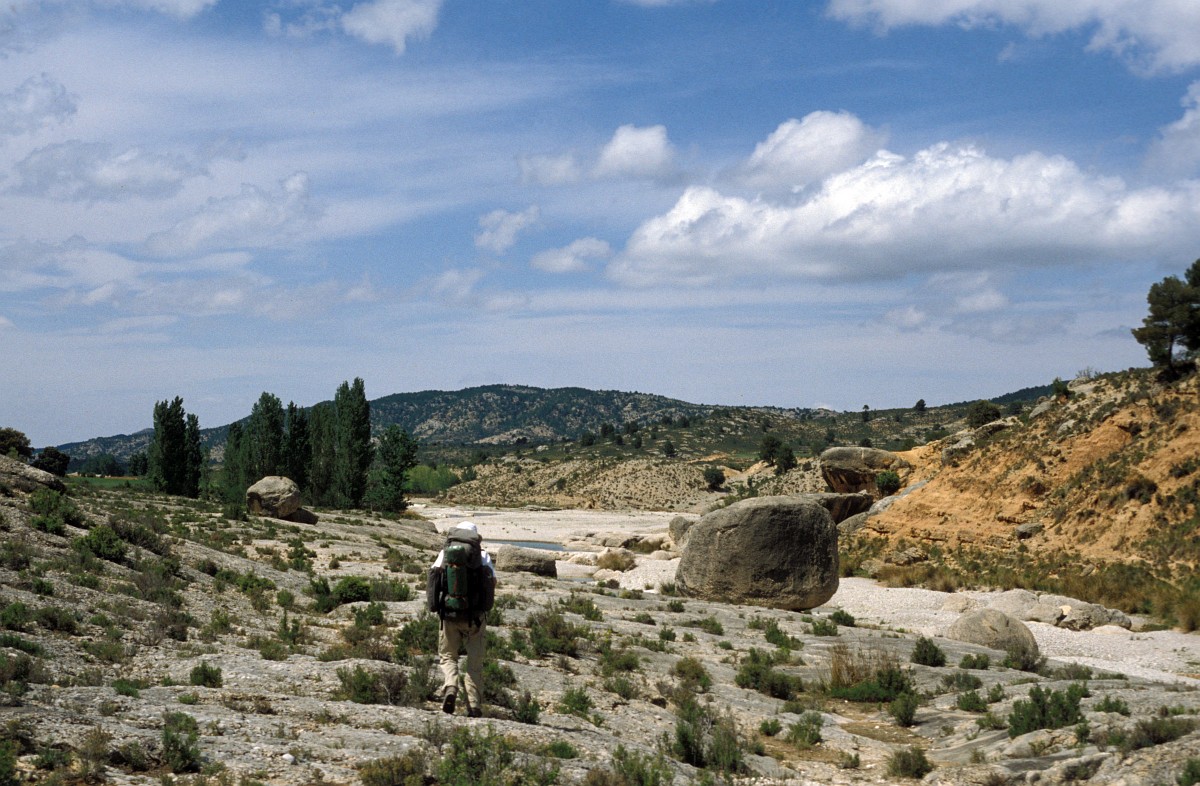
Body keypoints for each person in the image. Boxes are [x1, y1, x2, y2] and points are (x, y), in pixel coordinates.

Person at [427, 521, 496, 717]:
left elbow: (433, 579)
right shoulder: (482, 555)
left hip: (449, 614)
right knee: (474, 663)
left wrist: (436, 606)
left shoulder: (445, 553)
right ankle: (474, 706)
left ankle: (451, 686)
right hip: (475, 617)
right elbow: (492, 582)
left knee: (448, 656)